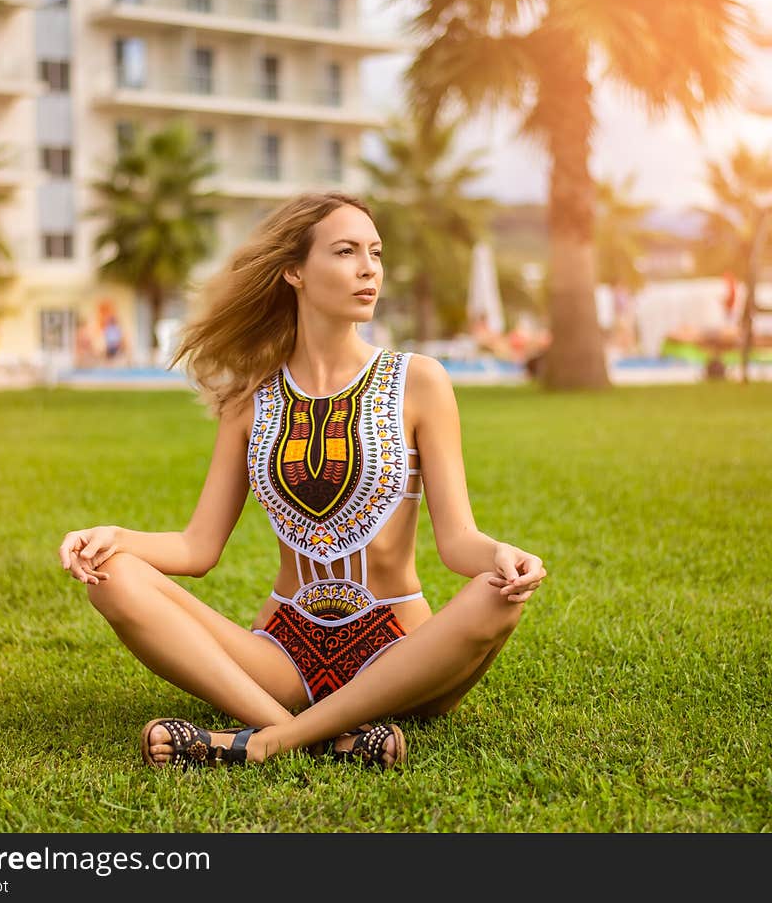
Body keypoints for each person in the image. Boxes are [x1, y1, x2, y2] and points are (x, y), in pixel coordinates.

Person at [58, 191, 547, 771]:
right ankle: (315, 736)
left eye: (375, 252)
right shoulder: (249, 398)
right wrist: (114, 537)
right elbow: (197, 548)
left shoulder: (419, 381)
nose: (369, 269)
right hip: (282, 652)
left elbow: (458, 540)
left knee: (498, 596)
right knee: (110, 577)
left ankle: (263, 741)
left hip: (400, 652)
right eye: (345, 252)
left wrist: (502, 554)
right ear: (294, 271)